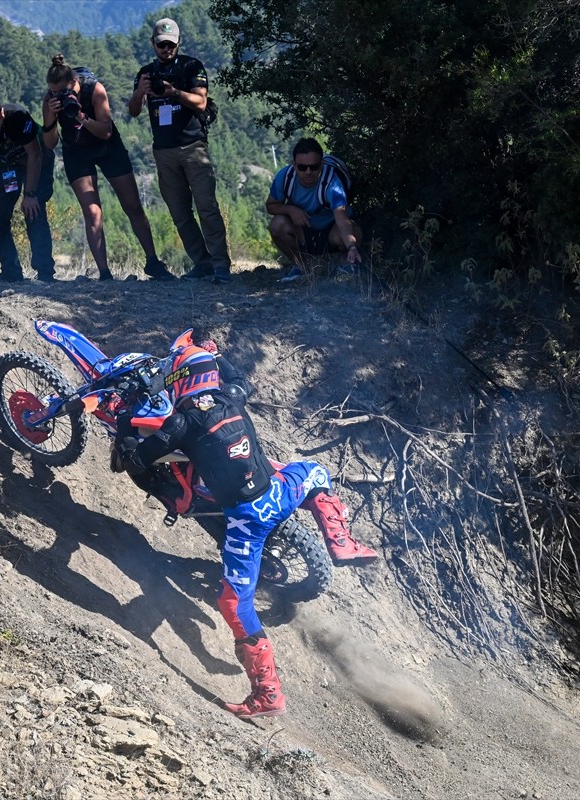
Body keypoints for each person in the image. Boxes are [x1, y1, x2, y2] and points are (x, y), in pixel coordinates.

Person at [117, 339, 376, 719]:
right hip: (279, 492)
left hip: (246, 520)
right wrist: (218, 352)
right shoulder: (231, 398)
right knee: (315, 471)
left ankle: (268, 693)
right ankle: (342, 542)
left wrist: (124, 425)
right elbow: (239, 378)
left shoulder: (180, 424)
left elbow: (136, 459)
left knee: (234, 603)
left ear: (178, 380)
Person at [41, 54, 175, 282]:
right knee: (92, 213)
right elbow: (50, 143)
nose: (59, 96)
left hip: (107, 147)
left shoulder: (95, 90)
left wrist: (81, 116)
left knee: (132, 205)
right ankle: (104, 273)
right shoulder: (50, 101)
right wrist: (51, 118)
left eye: (63, 92)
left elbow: (106, 131)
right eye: (53, 92)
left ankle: (153, 261)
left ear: (74, 82)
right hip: (76, 150)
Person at [129, 18, 231, 284]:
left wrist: (175, 92)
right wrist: (141, 91)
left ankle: (221, 265)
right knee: (179, 213)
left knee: (206, 206)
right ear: (153, 44)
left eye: (170, 45)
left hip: (192, 146)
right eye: (161, 45)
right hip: (163, 151)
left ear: (178, 43)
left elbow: (200, 101)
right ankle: (202, 262)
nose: (166, 49)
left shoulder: (191, 66)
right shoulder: (145, 73)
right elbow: (133, 111)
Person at [0, 95, 56, 283]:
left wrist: (30, 194)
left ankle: (45, 273)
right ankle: (11, 272)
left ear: (1, 113)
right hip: (9, 168)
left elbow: (35, 154)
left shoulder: (17, 117)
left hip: (39, 161)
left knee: (34, 210)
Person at [265, 137, 362, 284]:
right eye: (302, 167)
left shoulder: (332, 183)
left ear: (322, 164)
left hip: (332, 232)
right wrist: (290, 209)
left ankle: (346, 263)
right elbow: (271, 205)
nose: (308, 172)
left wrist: (352, 246)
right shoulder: (285, 177)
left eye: (314, 167)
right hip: (304, 231)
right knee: (277, 224)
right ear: (294, 165)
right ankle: (301, 265)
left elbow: (342, 219)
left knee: (353, 231)